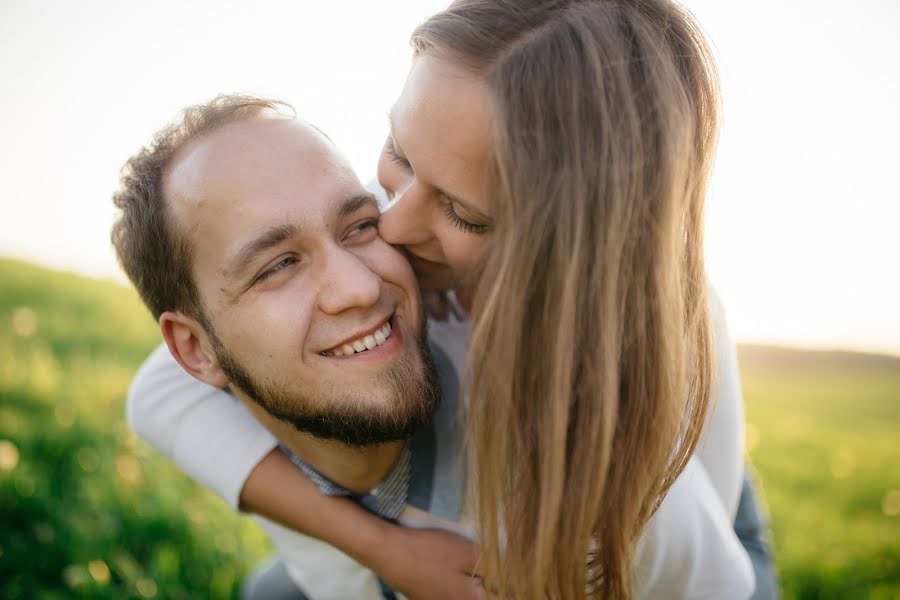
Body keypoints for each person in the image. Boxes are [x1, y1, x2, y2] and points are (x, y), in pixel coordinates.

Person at [126, 0, 776, 598]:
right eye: (398, 155)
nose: (393, 227)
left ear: (555, 250)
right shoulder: (375, 244)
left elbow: (702, 565)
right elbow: (163, 389)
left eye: (463, 213)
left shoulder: (618, 414)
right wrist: (386, 549)